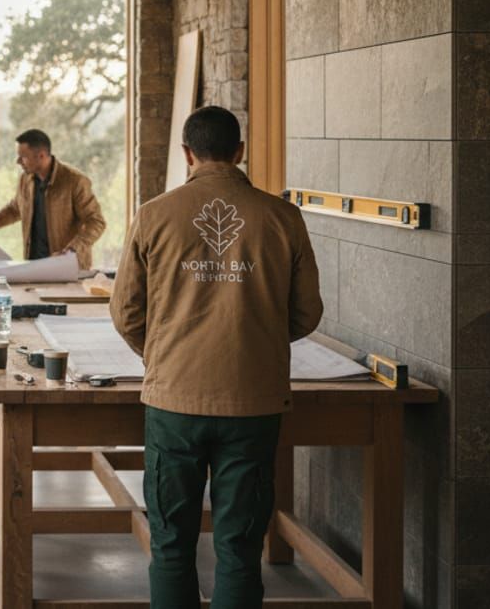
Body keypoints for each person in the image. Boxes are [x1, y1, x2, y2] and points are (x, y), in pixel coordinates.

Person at [109, 106, 324, 609]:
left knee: (171, 546)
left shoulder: (154, 214)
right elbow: (307, 312)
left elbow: (125, 311)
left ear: (187, 154)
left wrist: (164, 355)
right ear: (240, 152)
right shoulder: (283, 217)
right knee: (240, 549)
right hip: (253, 403)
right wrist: (257, 340)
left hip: (174, 402)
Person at [0, 128, 106, 271]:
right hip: (34, 266)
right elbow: (15, 208)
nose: (18, 161)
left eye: (23, 157)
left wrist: (73, 249)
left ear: (41, 156)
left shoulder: (75, 181)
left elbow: (96, 222)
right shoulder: (25, 179)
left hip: (68, 268)